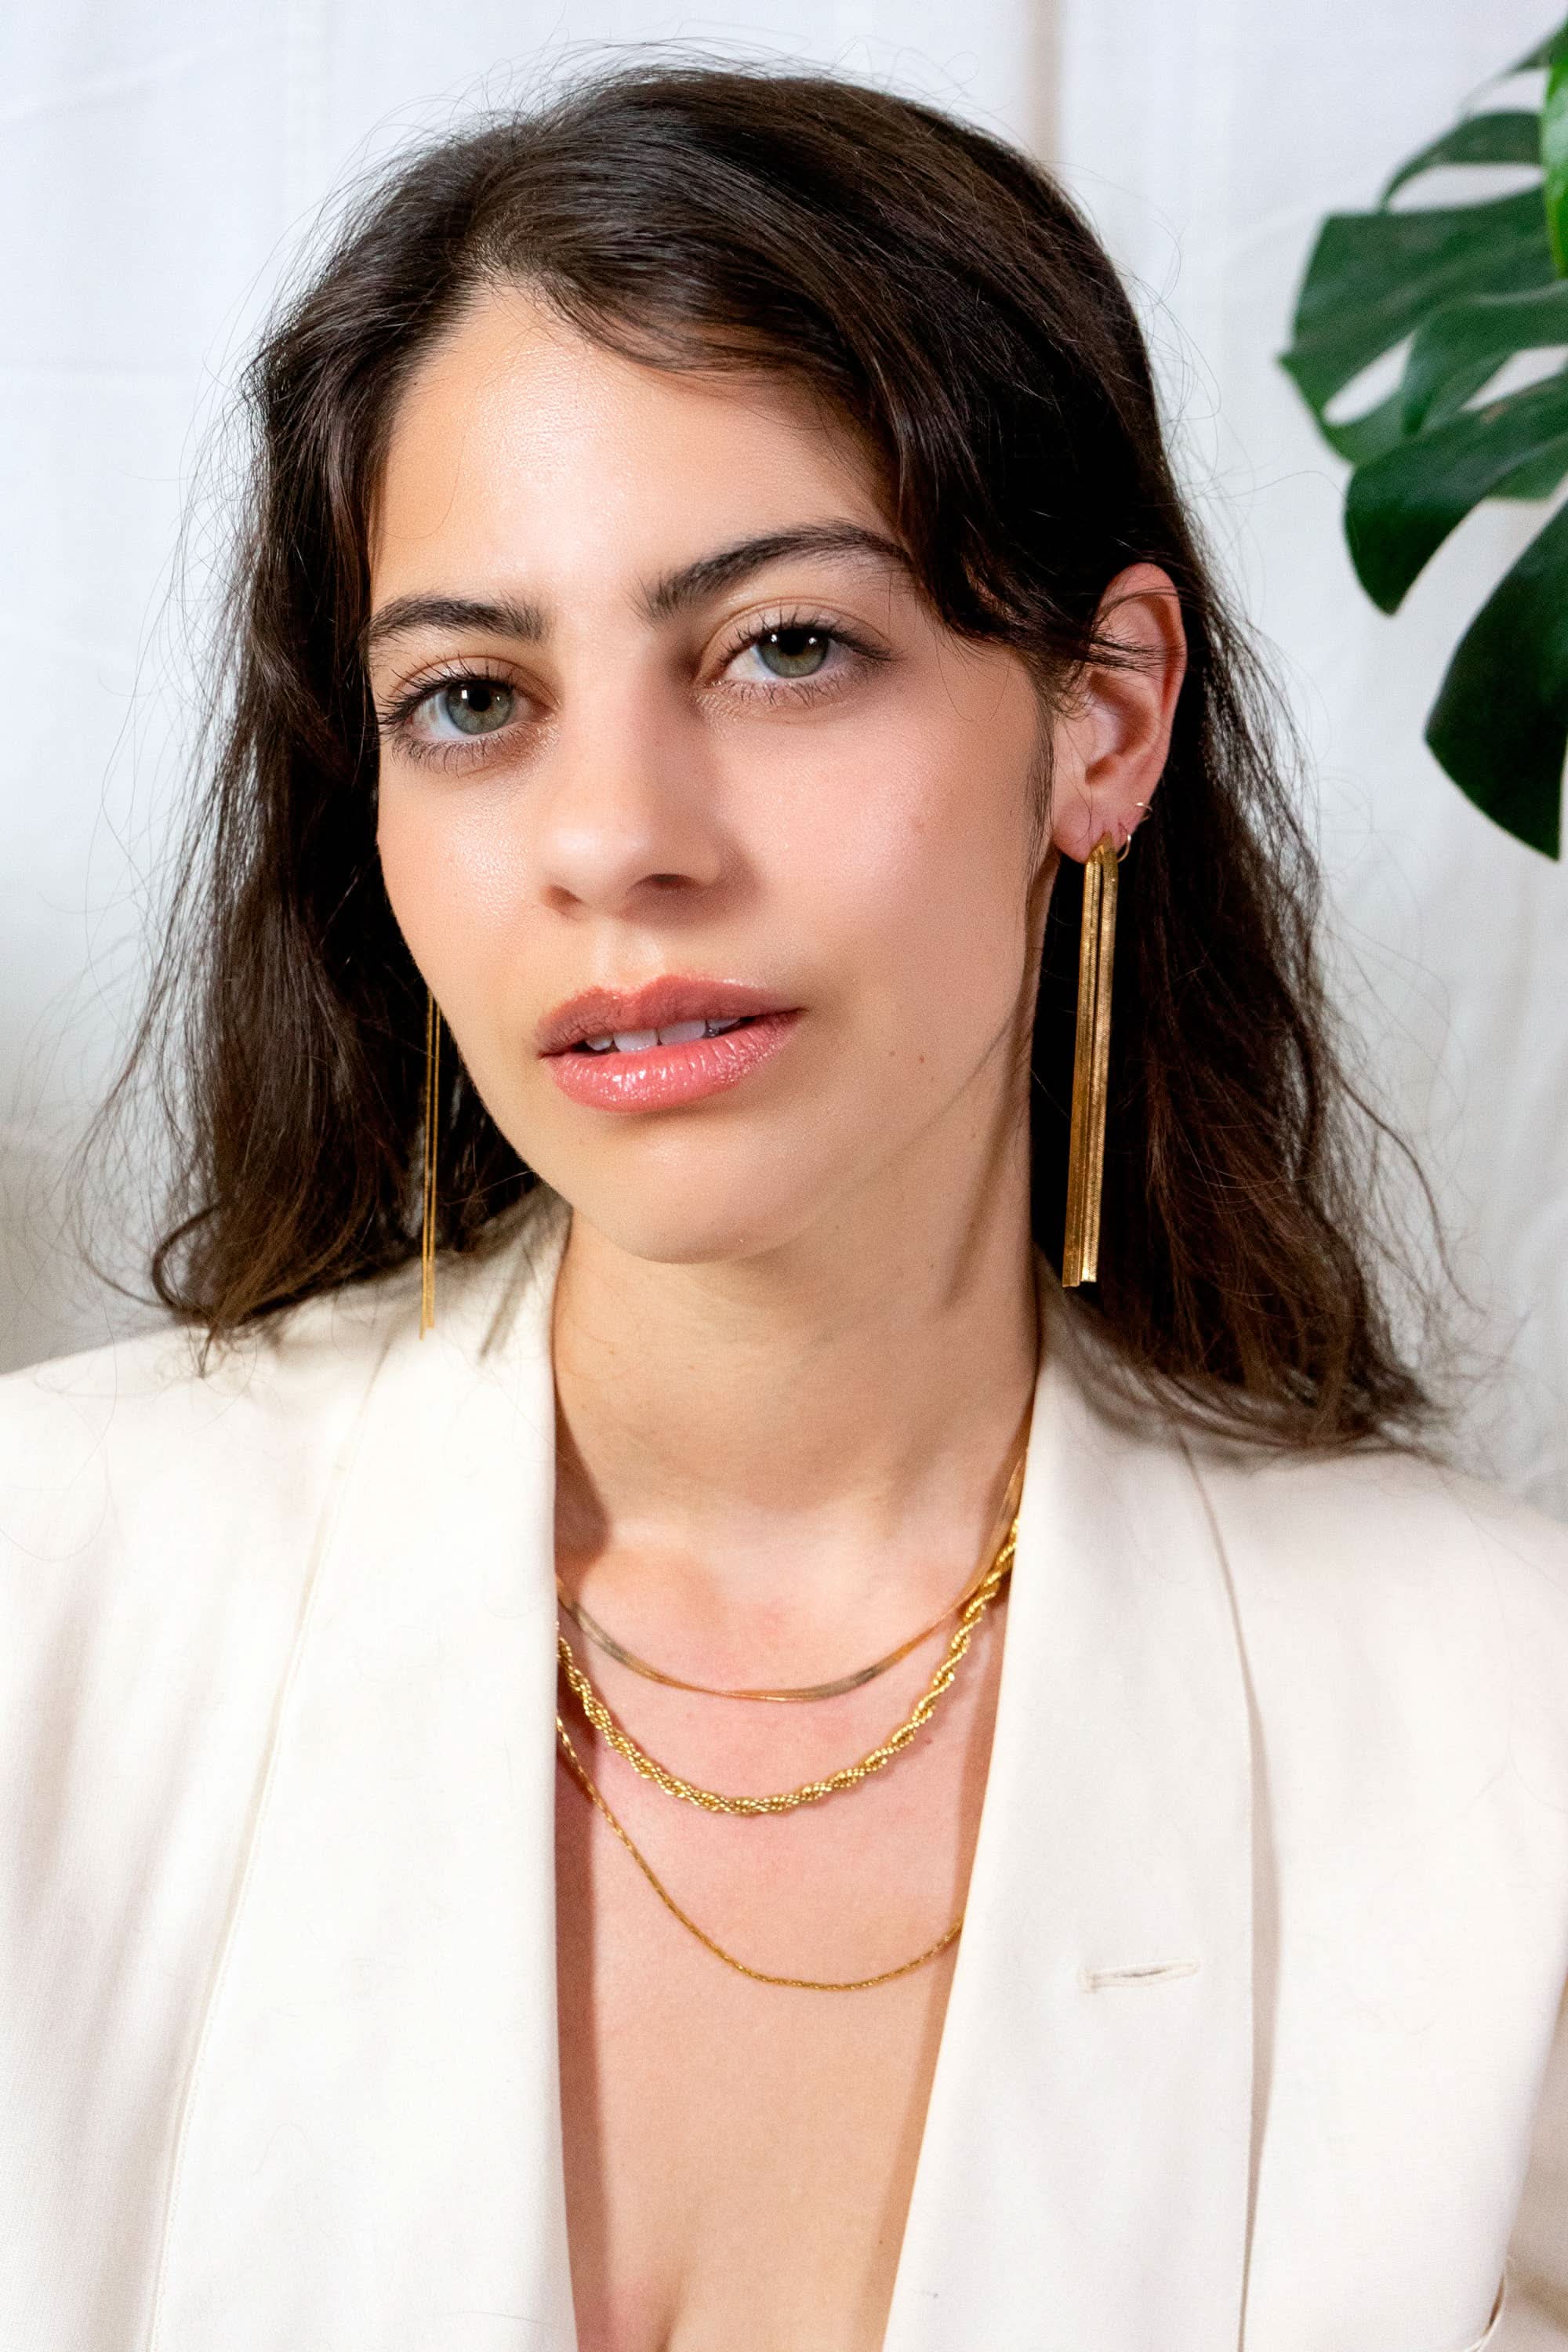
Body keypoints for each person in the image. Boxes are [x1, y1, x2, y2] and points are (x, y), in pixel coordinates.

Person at [2, 56, 1565, 2352]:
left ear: (1104, 717)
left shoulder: (1498, 1726)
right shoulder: (46, 1589)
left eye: (785, 648)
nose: (615, 835)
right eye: (469, 696)